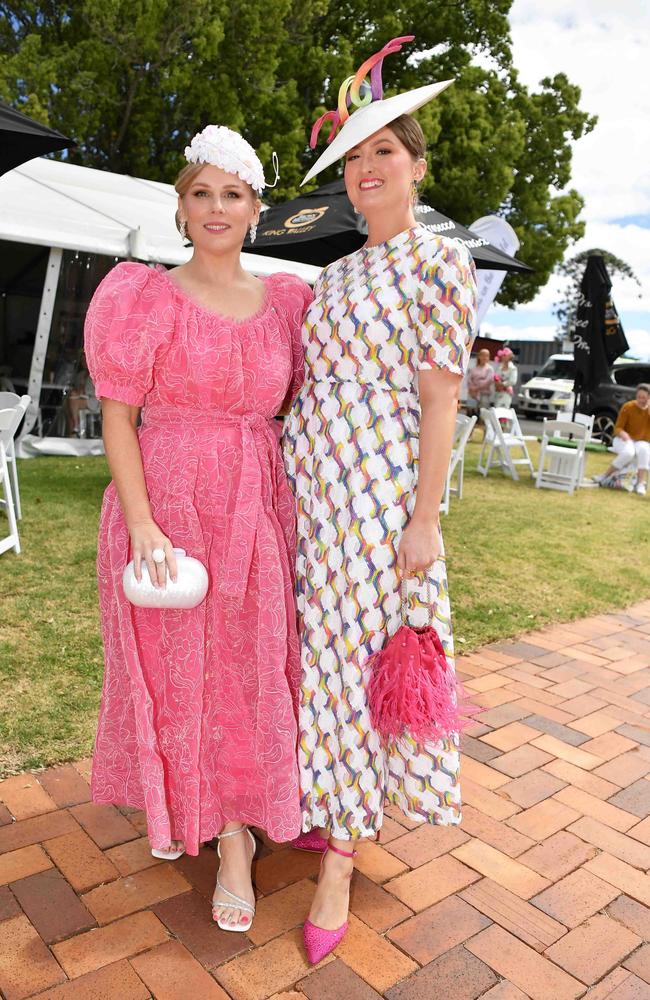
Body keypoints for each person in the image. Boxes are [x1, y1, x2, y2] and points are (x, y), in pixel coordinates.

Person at [84, 125, 312, 933]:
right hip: (168, 506)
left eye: (234, 193)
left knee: (248, 667)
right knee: (182, 667)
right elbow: (118, 419)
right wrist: (143, 524)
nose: (218, 207)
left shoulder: (289, 302)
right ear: (181, 208)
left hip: (256, 507)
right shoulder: (142, 297)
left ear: (257, 208)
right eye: (202, 192)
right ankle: (191, 806)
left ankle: (239, 836)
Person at [282, 36, 477, 964]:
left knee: (361, 673)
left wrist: (425, 519)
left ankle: (341, 866)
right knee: (318, 662)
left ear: (416, 167)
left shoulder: (442, 262)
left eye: (384, 153)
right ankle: (326, 804)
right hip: (311, 495)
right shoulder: (332, 276)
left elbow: (441, 396)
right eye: (355, 156)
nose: (366, 169)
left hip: (379, 498)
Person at [593, 383, 650, 495]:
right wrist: (623, 434)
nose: (640, 400)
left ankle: (640, 483)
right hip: (624, 439)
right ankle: (604, 476)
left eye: (643, 397)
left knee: (644, 451)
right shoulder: (628, 407)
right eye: (638, 397)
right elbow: (617, 428)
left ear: (649, 397)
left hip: (641, 441)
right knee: (629, 452)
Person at [466, 348, 495, 417]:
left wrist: (476, 388)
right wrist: (472, 389)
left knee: (482, 412)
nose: (484, 357)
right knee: (471, 412)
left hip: (483, 394)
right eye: (482, 355)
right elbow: (469, 380)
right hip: (472, 394)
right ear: (479, 356)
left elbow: (488, 381)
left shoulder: (489, 369)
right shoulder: (474, 368)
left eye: (486, 356)